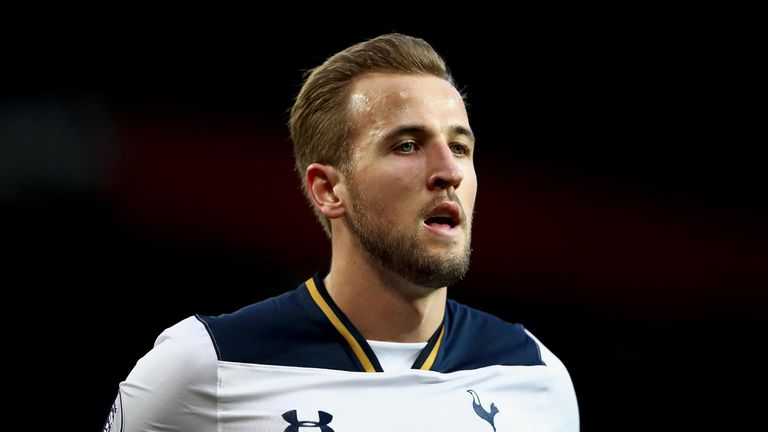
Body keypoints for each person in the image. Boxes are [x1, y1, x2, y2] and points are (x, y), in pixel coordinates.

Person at [103, 33, 579, 431]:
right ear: (329, 189)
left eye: (459, 146)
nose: (448, 171)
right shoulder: (208, 366)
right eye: (408, 145)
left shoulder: (536, 375)